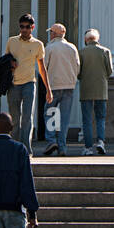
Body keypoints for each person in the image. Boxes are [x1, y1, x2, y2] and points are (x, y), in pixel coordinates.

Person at [3, 14, 52, 155]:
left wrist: (48, 89)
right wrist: (10, 64)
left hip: (29, 83)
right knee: (14, 117)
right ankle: (14, 147)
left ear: (32, 27)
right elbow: (5, 60)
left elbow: (42, 68)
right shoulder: (12, 41)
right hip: (13, 83)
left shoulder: (38, 44)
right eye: (21, 27)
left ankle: (25, 149)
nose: (24, 30)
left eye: (27, 27)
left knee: (27, 117)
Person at [43, 23, 79, 156]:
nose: (50, 34)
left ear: (53, 33)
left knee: (49, 113)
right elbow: (77, 66)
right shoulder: (72, 47)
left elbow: (43, 67)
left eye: (50, 32)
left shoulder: (50, 48)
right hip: (69, 86)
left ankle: (51, 140)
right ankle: (62, 147)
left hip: (53, 86)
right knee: (64, 118)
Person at [78, 28, 113, 156]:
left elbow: (78, 72)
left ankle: (88, 148)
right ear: (97, 39)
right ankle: (100, 142)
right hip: (101, 89)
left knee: (86, 120)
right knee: (100, 118)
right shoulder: (105, 51)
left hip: (86, 89)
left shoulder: (81, 52)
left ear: (86, 39)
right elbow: (110, 71)